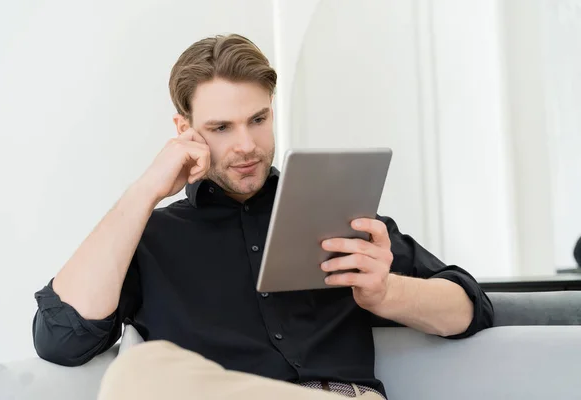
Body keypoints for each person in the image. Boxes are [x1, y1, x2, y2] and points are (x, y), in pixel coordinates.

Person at [32, 34, 494, 400]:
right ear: (184, 130)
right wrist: (145, 190)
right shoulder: (151, 239)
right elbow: (60, 339)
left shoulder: (340, 213)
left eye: (258, 119)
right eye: (221, 128)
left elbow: (471, 309)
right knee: (139, 373)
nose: (247, 145)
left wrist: (387, 291)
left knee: (138, 376)